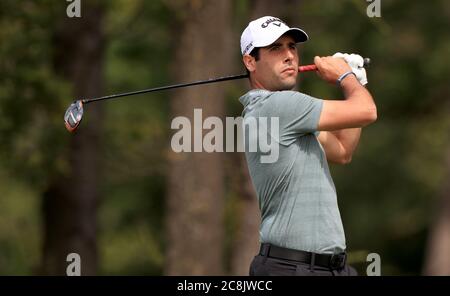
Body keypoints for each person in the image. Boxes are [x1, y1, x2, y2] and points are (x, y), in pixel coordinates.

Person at [239, 16, 377, 276]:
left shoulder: (278, 114)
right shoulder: (278, 107)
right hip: (295, 269)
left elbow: (342, 149)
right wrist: (346, 77)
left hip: (326, 268)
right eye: (275, 48)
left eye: (292, 46)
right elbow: (367, 111)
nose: (289, 55)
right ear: (250, 61)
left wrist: (357, 81)